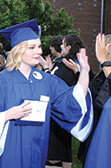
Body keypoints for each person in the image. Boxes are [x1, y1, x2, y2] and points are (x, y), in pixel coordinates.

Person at [0, 19, 93, 168]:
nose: (40, 52)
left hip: (38, 149)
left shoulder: (46, 80)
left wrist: (85, 72)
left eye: (39, 46)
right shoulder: (0, 81)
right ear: (18, 50)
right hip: (11, 151)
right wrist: (6, 115)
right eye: (32, 47)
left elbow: (71, 102)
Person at [42, 34, 86, 168]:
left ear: (68, 47)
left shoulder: (69, 64)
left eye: (63, 44)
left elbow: (54, 85)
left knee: (61, 145)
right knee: (62, 145)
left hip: (62, 110)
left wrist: (46, 68)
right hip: (59, 110)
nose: (60, 46)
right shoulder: (65, 62)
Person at [78, 33, 111, 167]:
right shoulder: (103, 73)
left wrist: (105, 61)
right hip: (95, 128)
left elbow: (101, 102)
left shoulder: (106, 71)